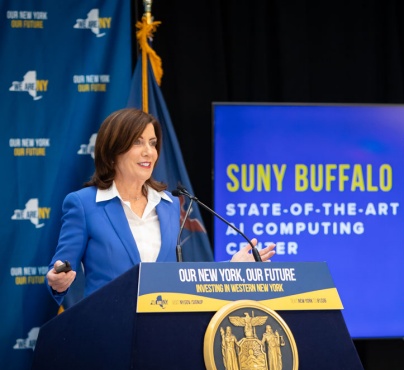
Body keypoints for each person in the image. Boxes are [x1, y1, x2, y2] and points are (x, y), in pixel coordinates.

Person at [46, 108, 276, 305]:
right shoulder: (84, 204)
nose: (149, 152)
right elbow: (61, 268)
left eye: (153, 143)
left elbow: (179, 277)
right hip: (106, 326)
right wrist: (58, 281)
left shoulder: (168, 204)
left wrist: (232, 267)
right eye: (138, 142)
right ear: (113, 150)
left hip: (160, 327)